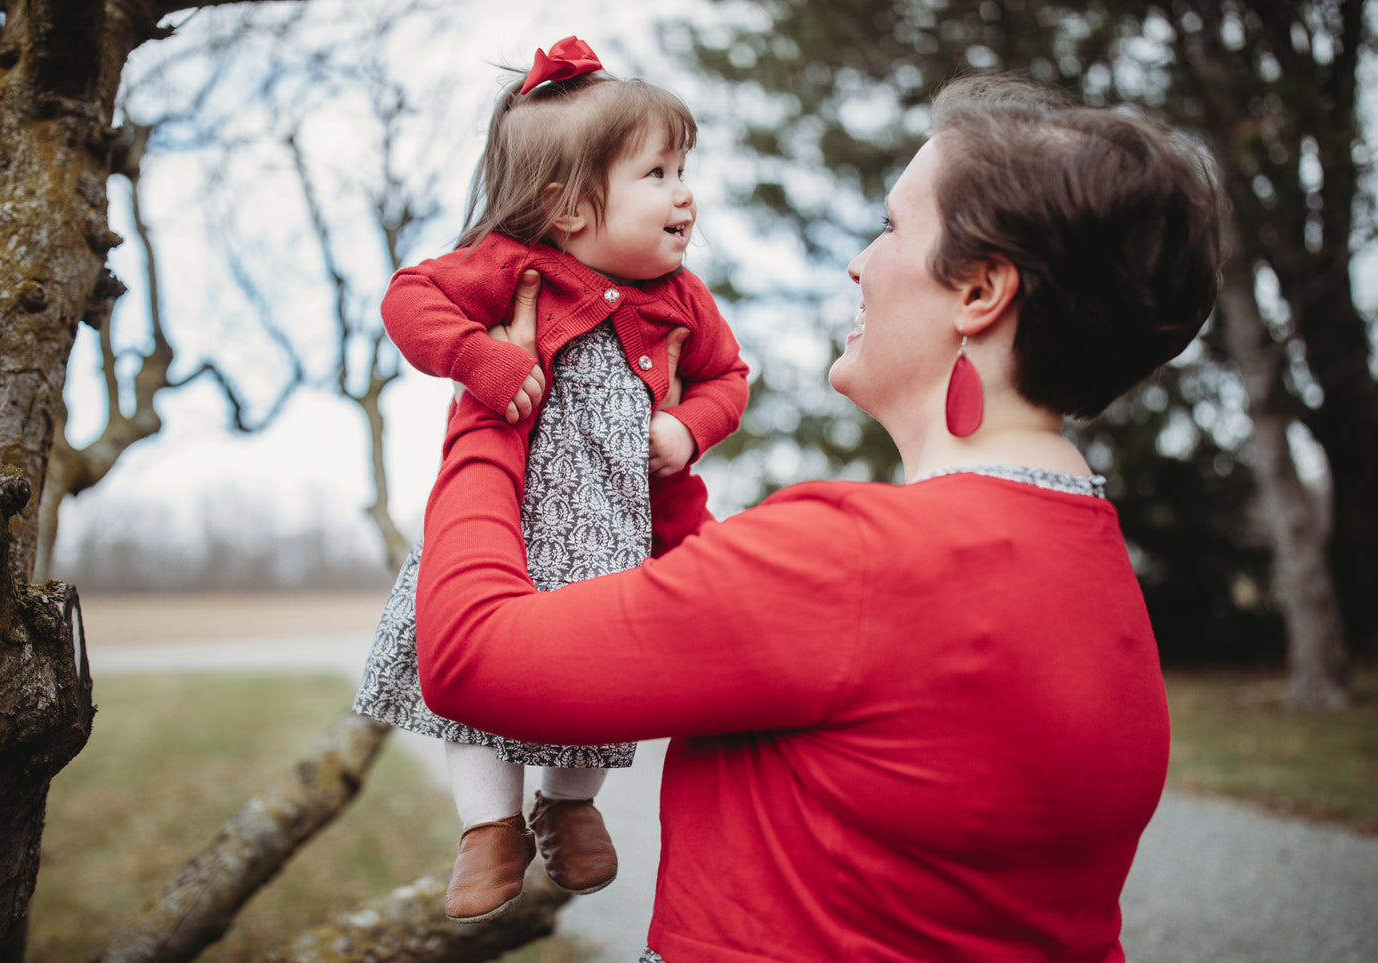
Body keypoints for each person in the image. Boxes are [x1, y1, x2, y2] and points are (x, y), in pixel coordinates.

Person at [411, 73, 1223, 961]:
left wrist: (500, 395)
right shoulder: (1094, 573)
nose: (856, 264)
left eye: (889, 228)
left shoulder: (850, 560)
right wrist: (656, 464)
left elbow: (468, 658)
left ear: (980, 292)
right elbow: (738, 620)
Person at [352, 36, 748, 924]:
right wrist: (479, 362)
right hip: (507, 529)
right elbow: (408, 299)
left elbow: (729, 378)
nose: (684, 192)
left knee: (610, 673)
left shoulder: (683, 299)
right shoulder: (510, 267)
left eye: (684, 168)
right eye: (656, 172)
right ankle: (487, 827)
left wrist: (687, 425)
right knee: (469, 676)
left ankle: (569, 804)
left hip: (613, 534)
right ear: (567, 208)